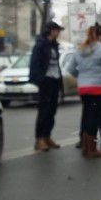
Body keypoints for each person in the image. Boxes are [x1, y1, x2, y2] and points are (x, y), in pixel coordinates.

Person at [67, 24, 101, 158]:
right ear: (100, 36)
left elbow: (70, 69)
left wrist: (82, 77)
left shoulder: (79, 49)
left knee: (87, 115)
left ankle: (85, 145)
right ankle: (91, 148)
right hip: (98, 88)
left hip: (83, 88)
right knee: (96, 117)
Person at [29, 20, 64, 152]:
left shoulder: (54, 45)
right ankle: (39, 139)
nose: (58, 32)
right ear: (50, 30)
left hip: (55, 80)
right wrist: (40, 80)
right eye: (56, 30)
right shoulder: (40, 46)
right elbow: (35, 64)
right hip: (46, 81)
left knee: (52, 111)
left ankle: (47, 136)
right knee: (44, 111)